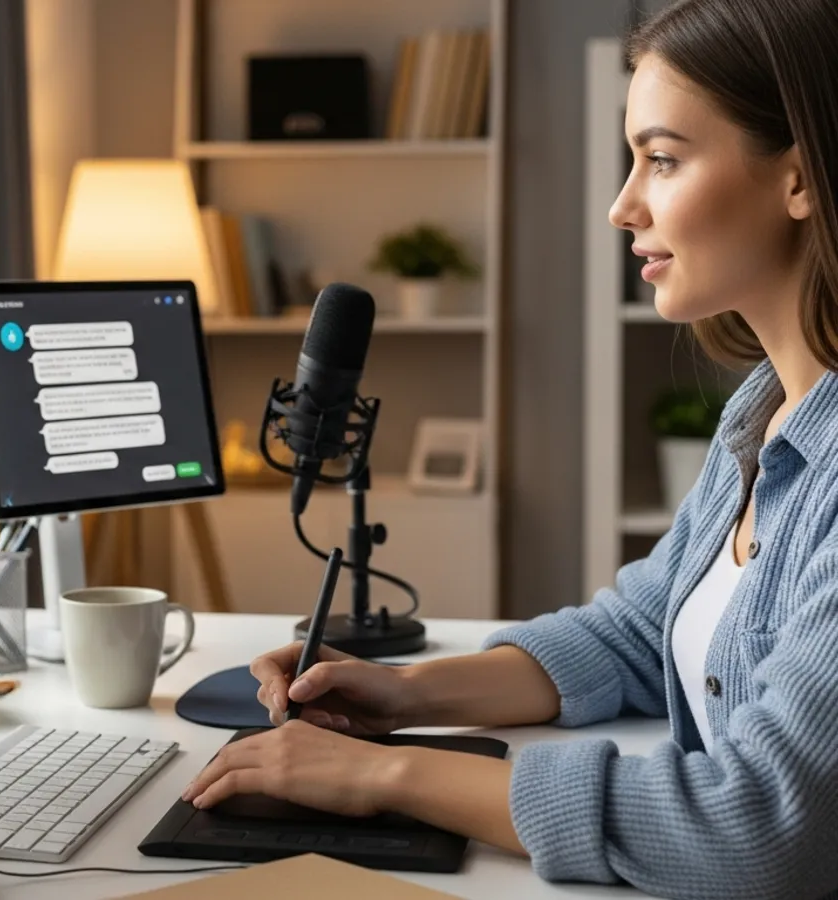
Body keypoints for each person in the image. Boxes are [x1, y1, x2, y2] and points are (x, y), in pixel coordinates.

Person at [181, 1, 838, 896]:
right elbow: (641, 635)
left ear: (799, 178)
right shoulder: (763, 422)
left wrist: (386, 776)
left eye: (664, 159)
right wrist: (403, 695)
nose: (621, 205)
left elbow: (753, 826)